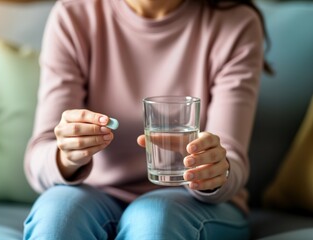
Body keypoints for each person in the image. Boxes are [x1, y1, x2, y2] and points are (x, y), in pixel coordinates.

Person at [23, 0, 271, 239]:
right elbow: (39, 157)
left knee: (153, 220)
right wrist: (66, 156)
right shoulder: (73, 15)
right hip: (95, 193)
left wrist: (212, 170)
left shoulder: (236, 23)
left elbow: (233, 160)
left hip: (195, 201)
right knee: (57, 217)